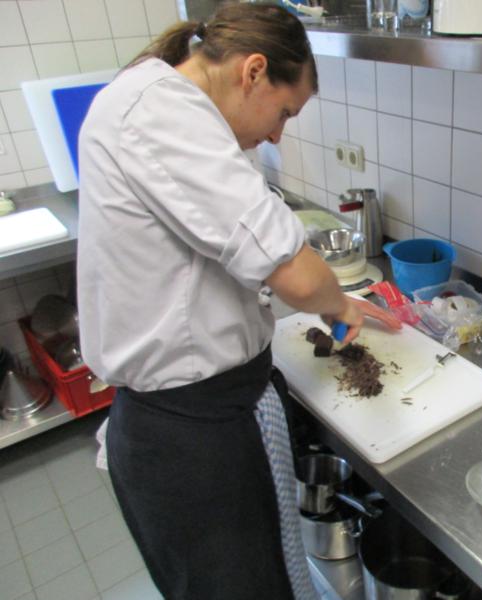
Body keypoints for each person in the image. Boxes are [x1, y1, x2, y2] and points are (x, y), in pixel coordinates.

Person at [76, 4, 401, 599]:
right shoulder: (165, 115)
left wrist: (325, 294)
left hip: (184, 422)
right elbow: (298, 275)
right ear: (253, 72)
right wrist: (341, 305)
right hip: (194, 438)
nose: (278, 134)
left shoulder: (153, 96)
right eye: (285, 113)